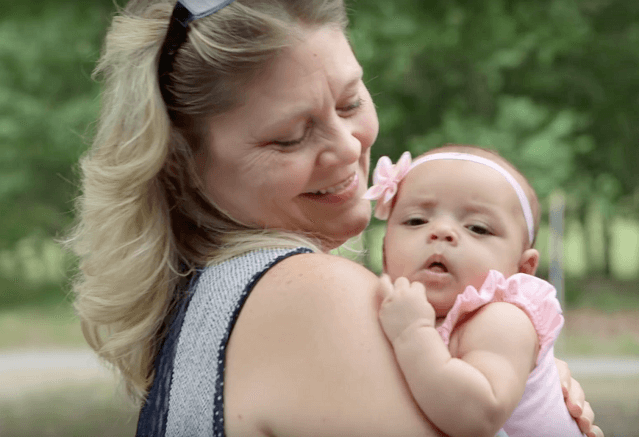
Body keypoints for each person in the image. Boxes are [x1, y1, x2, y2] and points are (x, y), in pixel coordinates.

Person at [66, 1, 602, 436]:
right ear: (183, 165)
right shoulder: (313, 297)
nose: (348, 149)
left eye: (349, 103)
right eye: (290, 137)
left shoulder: (212, 298)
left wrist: (519, 387)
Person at [365, 144, 592, 437]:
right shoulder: (392, 311)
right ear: (384, 251)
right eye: (416, 220)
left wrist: (413, 334)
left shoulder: (503, 319)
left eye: (478, 227)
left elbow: (480, 418)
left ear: (522, 270)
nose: (442, 231)